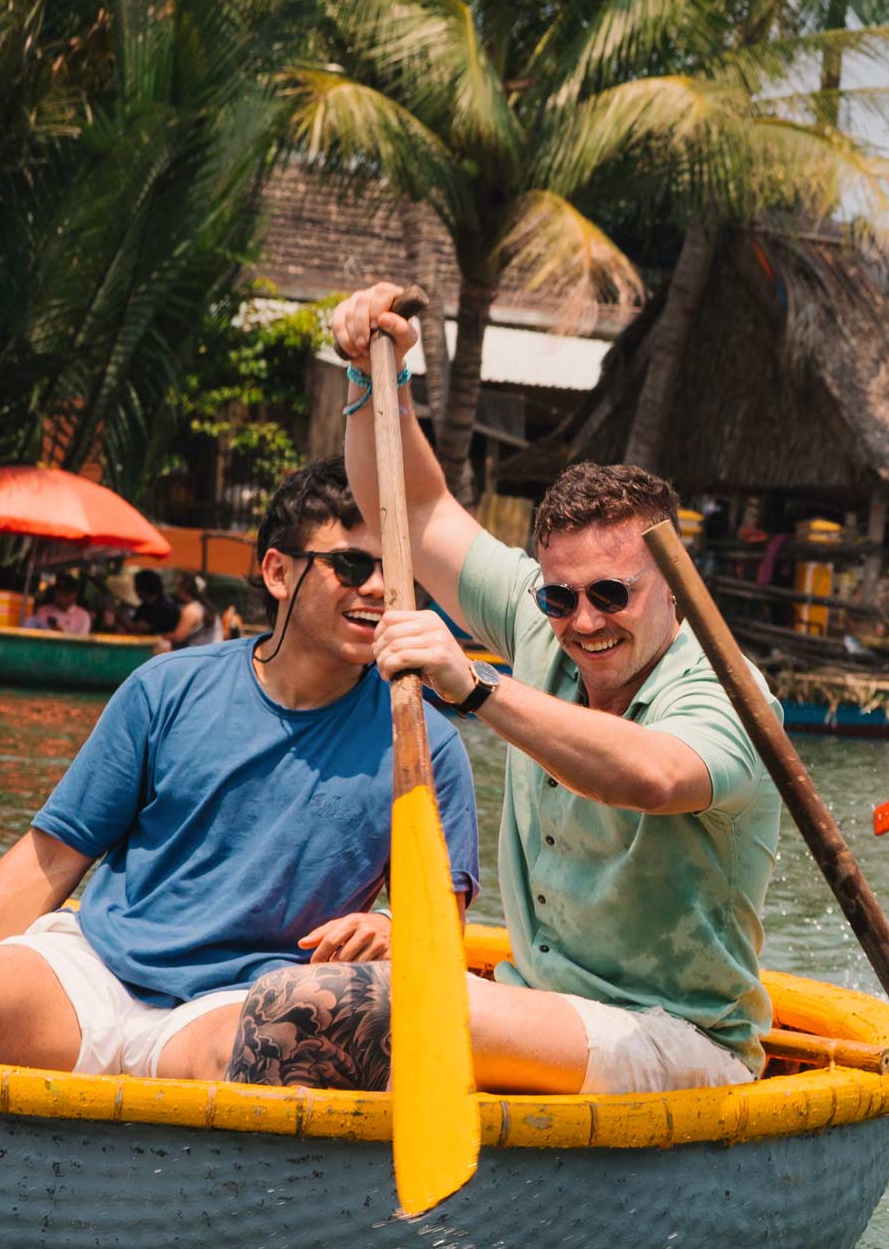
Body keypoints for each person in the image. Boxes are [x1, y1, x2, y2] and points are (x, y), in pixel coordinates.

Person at [316, 280, 783, 1094]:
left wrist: (478, 691)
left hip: (682, 1038)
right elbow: (417, 509)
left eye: (612, 594)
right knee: (299, 999)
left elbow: (656, 773)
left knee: (384, 1009)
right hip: (545, 1012)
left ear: (674, 586)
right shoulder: (544, 621)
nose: (583, 620)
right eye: (560, 596)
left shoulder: (728, 689)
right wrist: (369, 376)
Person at [0, 467, 477, 1082]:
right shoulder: (164, 689)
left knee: (293, 1039)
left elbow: (440, 928)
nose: (379, 589)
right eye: (351, 566)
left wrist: (389, 925)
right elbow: (51, 859)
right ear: (278, 572)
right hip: (94, 971)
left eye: (400, 576)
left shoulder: (424, 743)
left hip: (245, 1005)